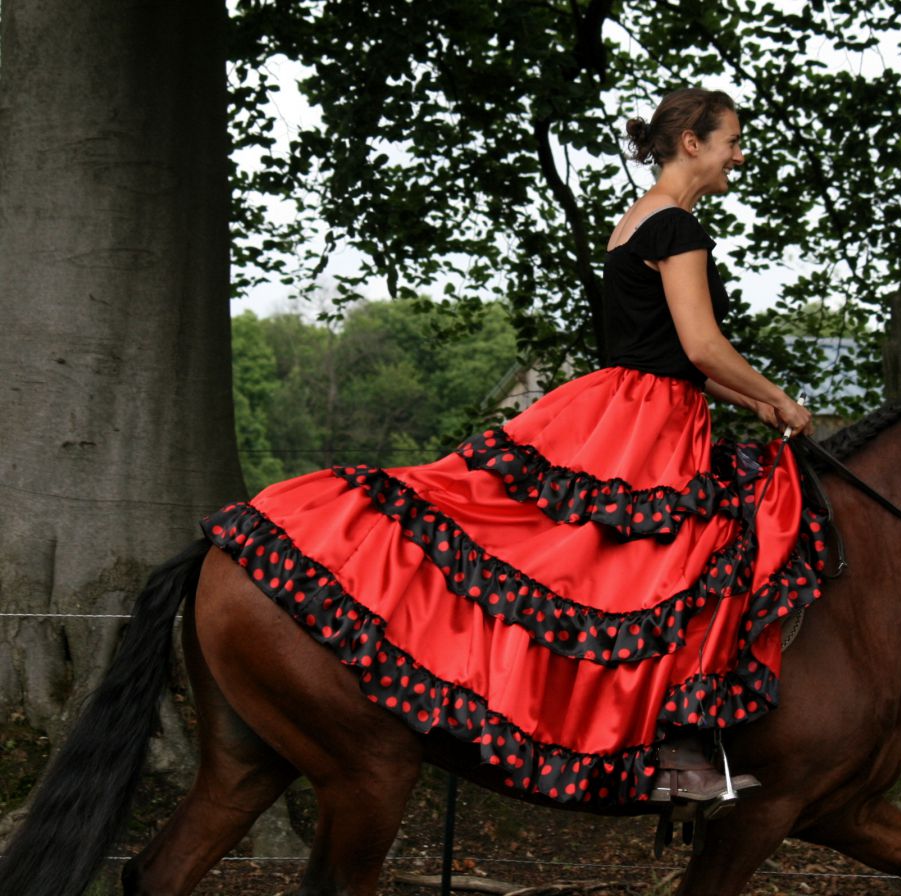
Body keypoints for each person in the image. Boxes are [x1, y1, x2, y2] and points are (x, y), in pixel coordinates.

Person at [202, 87, 830, 816]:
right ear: (693, 142)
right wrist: (781, 398)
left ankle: (667, 752)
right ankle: (674, 756)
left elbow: (665, 354)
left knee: (602, 573)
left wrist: (751, 402)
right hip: (649, 426)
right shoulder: (679, 228)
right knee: (685, 570)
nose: (738, 156)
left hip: (624, 405)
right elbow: (701, 346)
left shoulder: (634, 222)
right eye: (732, 141)